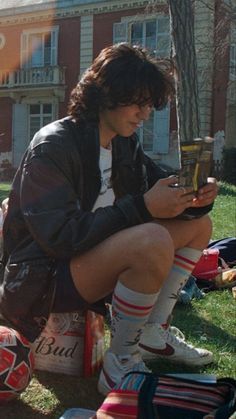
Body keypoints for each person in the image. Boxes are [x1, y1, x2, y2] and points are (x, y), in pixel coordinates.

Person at [0, 43, 218, 395]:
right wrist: (143, 208)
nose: (144, 113)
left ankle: (152, 333)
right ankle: (121, 362)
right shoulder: (53, 146)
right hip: (41, 280)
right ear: (105, 94)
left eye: (150, 104)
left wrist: (194, 196)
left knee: (198, 225)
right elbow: (59, 238)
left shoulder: (123, 144)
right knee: (151, 239)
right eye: (138, 101)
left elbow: (155, 186)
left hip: (88, 265)